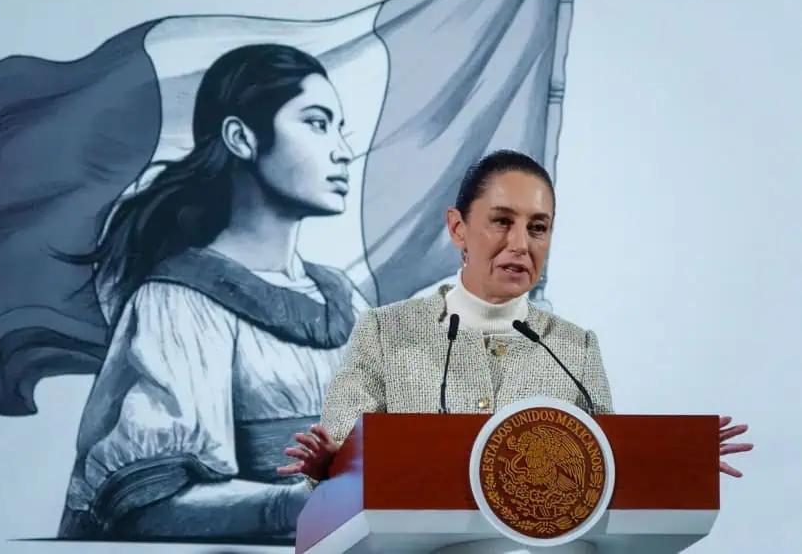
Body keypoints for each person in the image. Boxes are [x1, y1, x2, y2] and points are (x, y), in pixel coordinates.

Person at [277, 149, 754, 484]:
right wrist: (325, 466)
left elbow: (607, 463)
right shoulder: (388, 333)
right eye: (502, 221)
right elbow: (337, 454)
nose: (521, 244)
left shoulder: (573, 348)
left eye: (538, 227)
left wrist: (674, 458)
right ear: (458, 229)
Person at [56, 43, 369, 541]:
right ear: (241, 138)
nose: (342, 150)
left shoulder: (347, 300)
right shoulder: (180, 302)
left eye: (338, 127)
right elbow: (149, 503)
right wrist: (305, 503)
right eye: (316, 122)